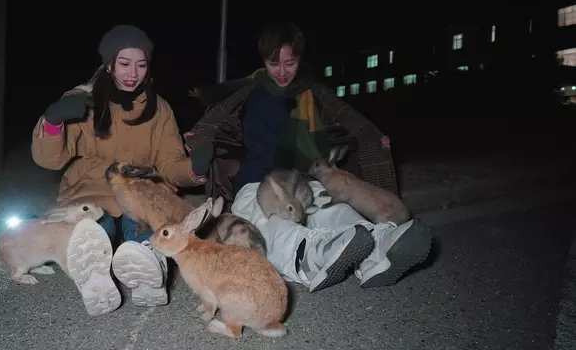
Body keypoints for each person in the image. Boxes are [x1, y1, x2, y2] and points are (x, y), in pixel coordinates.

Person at [184, 21, 432, 292]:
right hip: (257, 182)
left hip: (302, 180)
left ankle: (377, 247)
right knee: (273, 221)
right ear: (264, 61)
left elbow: (346, 113)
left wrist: (373, 135)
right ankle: (308, 255)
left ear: (299, 59)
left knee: (334, 209)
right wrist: (198, 138)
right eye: (273, 63)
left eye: (289, 63)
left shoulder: (308, 92)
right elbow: (217, 115)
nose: (281, 72)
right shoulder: (252, 88)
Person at [31, 24, 213, 315]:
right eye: (125, 64)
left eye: (141, 65)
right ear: (108, 64)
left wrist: (195, 168)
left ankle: (147, 267)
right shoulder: (82, 100)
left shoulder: (160, 108)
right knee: (96, 226)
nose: (133, 73)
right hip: (92, 187)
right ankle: (95, 274)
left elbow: (168, 165)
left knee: (143, 223)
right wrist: (53, 121)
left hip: (141, 190)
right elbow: (49, 159)